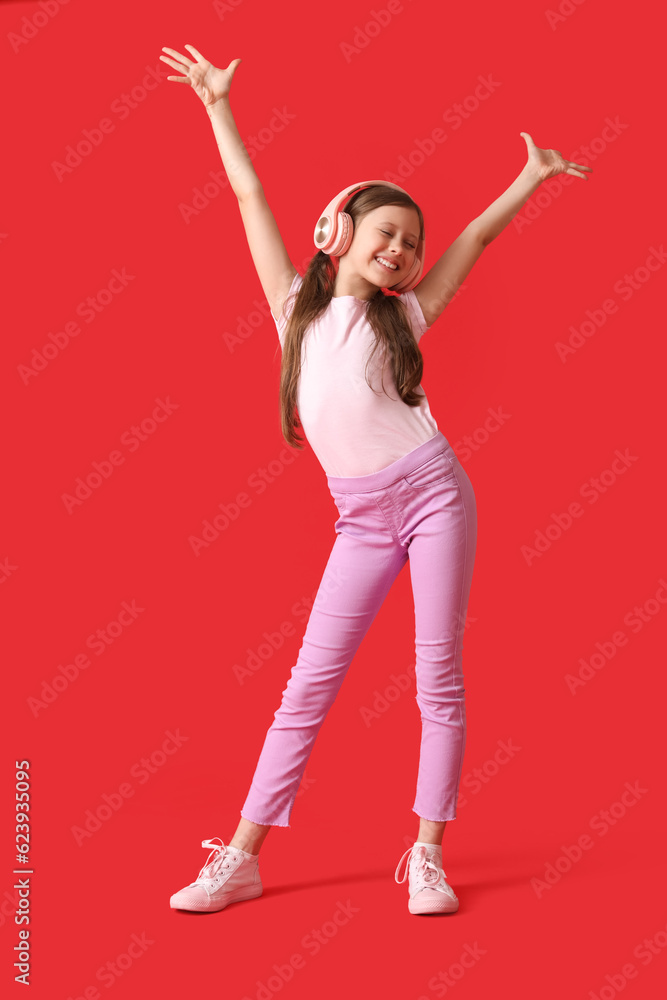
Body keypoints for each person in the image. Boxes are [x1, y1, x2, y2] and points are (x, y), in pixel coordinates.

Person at [160, 43, 592, 917]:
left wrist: (530, 177)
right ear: (338, 235)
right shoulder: (293, 309)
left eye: (409, 242)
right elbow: (248, 194)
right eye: (386, 234)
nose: (400, 249)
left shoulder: (407, 314)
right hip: (356, 519)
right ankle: (242, 857)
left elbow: (472, 237)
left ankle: (426, 854)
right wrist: (216, 106)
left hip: (434, 495)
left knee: (438, 675)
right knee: (307, 685)